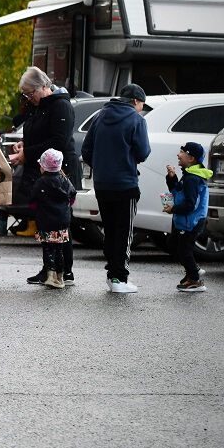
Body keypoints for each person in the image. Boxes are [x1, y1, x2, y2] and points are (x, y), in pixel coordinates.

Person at [9, 66, 78, 283]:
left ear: (44, 86)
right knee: (46, 221)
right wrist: (24, 145)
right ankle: (49, 267)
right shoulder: (41, 106)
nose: (29, 98)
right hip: (43, 171)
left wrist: (27, 154)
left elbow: (58, 141)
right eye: (26, 95)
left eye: (31, 93)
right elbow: (38, 133)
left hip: (61, 171)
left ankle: (64, 269)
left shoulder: (61, 106)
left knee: (60, 222)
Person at [81, 83, 150, 293]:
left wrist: (101, 167)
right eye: (142, 105)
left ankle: (112, 274)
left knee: (110, 230)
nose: (141, 109)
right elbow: (143, 152)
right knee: (124, 232)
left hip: (102, 184)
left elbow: (86, 150)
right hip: (125, 184)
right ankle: (119, 278)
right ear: (136, 101)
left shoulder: (100, 115)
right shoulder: (137, 120)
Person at [164, 142, 212, 293]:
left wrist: (174, 209)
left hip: (191, 221)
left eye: (181, 152)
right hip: (185, 221)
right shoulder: (188, 175)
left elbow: (190, 204)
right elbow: (177, 190)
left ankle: (195, 280)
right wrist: (172, 177)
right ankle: (193, 270)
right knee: (174, 245)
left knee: (184, 249)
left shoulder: (192, 179)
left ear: (191, 158)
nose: (178, 155)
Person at [28, 148, 77, 290]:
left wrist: (37, 208)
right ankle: (60, 277)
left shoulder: (41, 182)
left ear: (42, 166)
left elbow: (32, 202)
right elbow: (72, 196)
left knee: (48, 249)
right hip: (62, 222)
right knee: (60, 249)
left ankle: (50, 275)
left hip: (46, 222)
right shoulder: (65, 181)